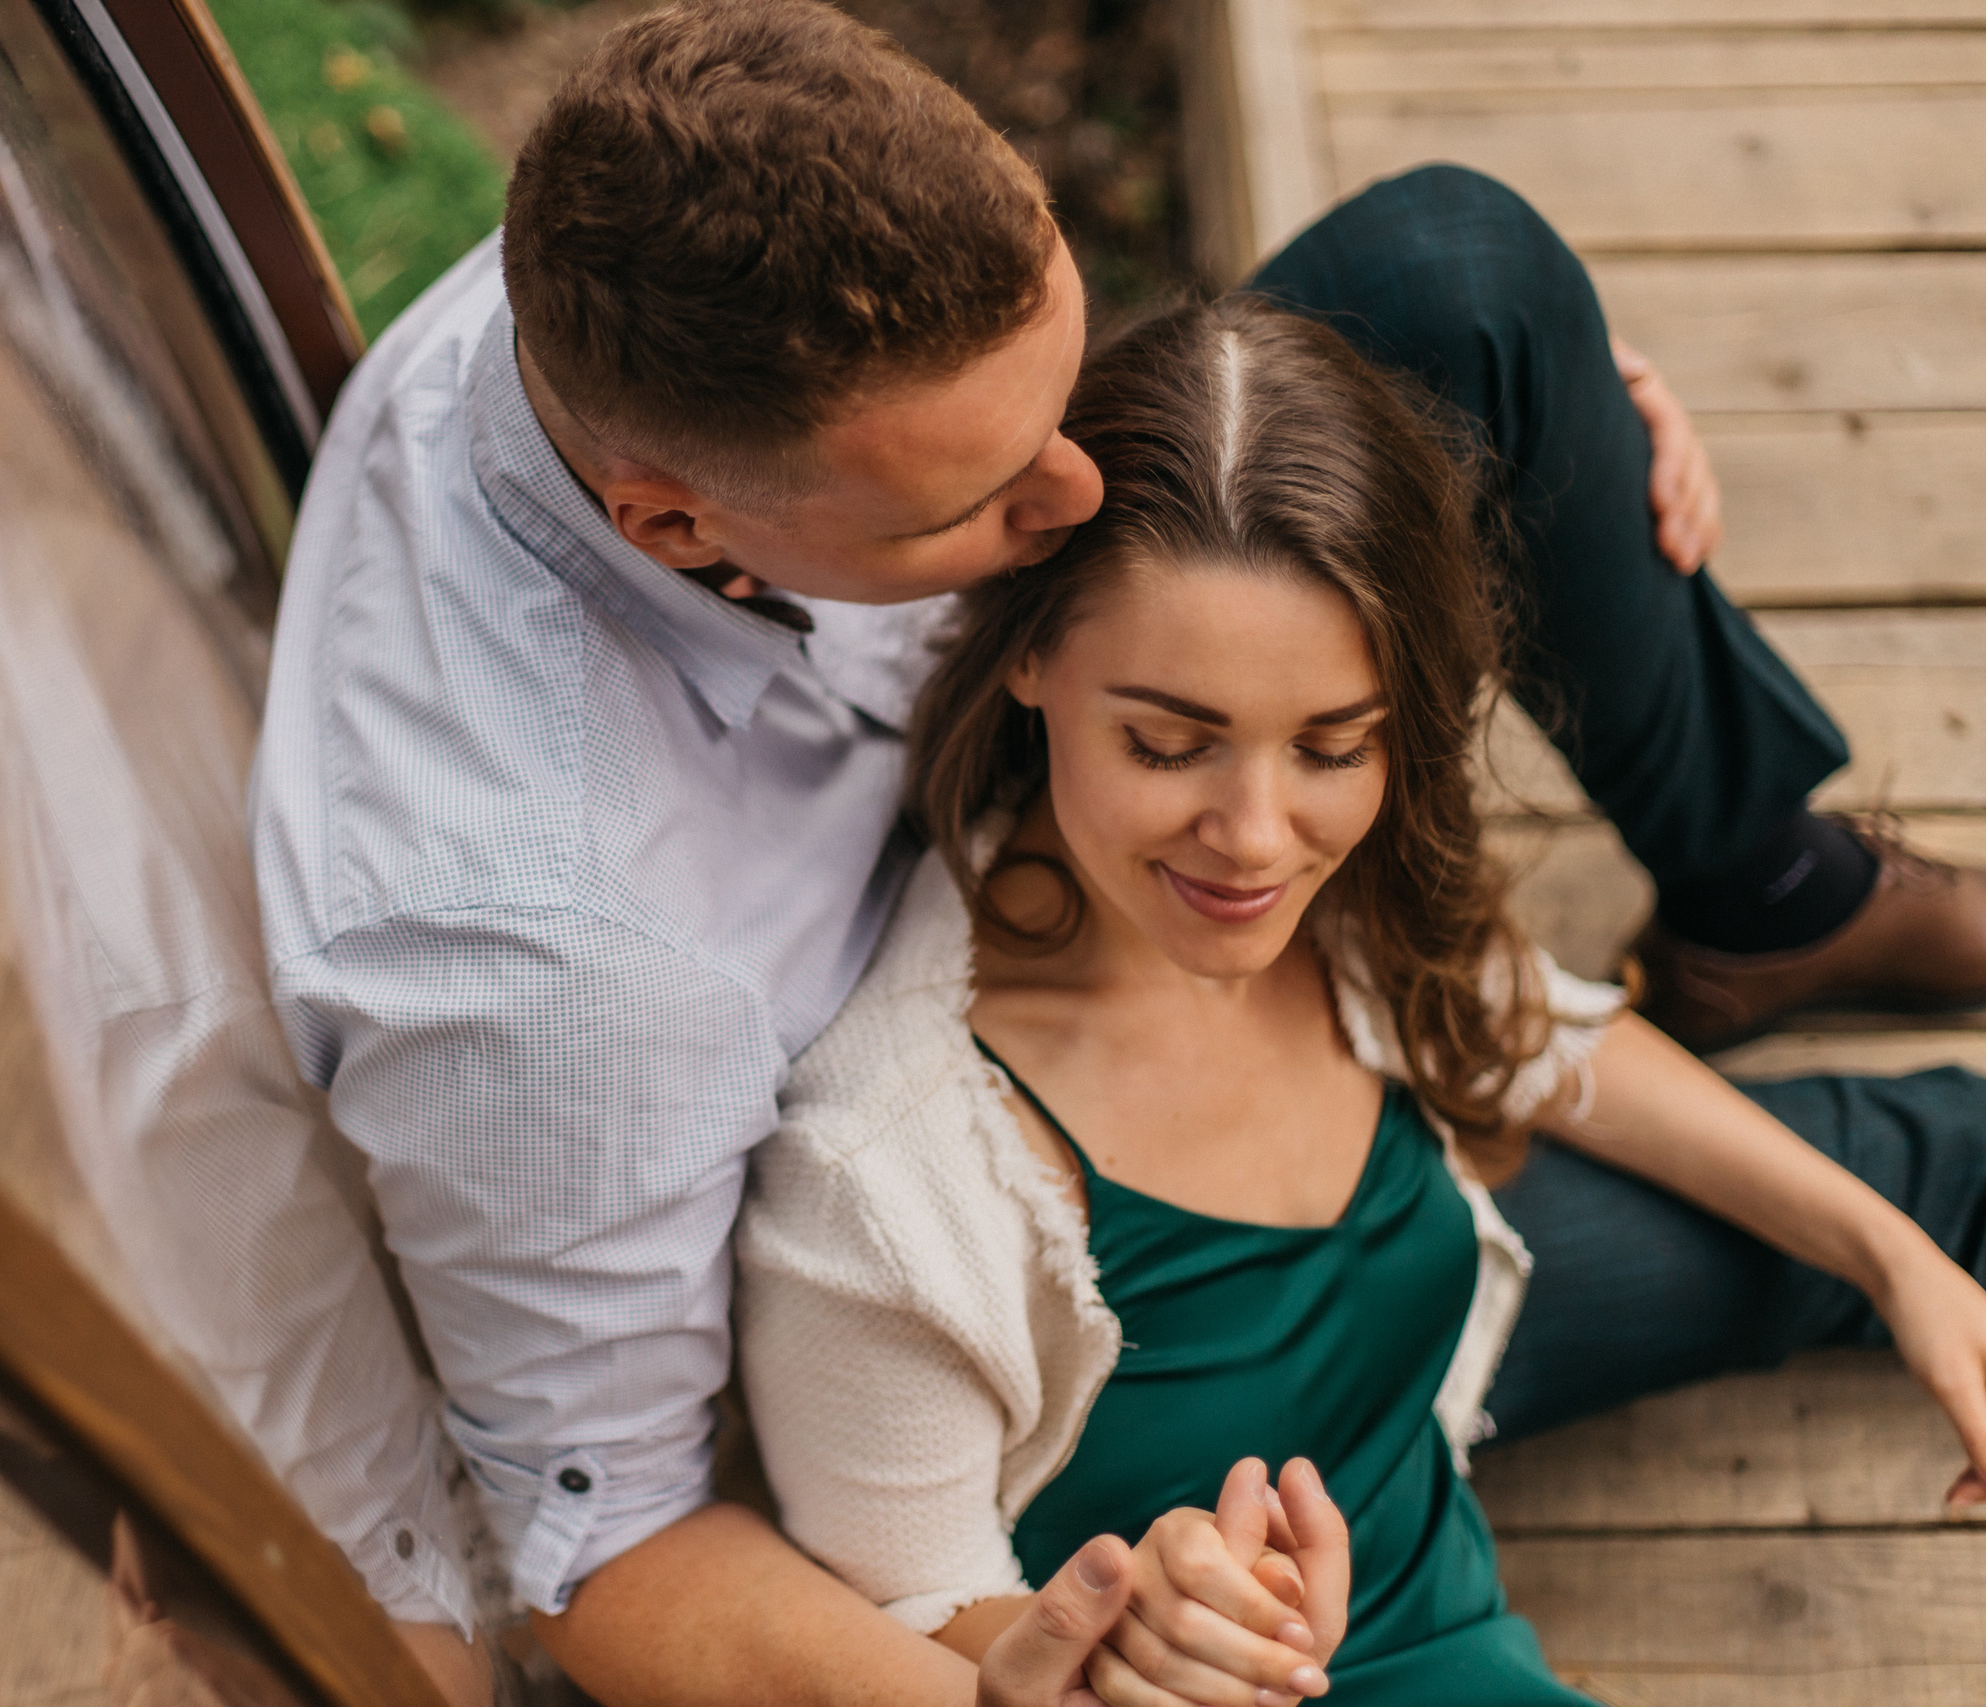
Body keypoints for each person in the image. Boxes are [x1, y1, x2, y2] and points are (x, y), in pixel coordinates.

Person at [246, 2, 1986, 1697]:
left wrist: (1498, 451)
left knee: (1466, 287)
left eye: (1061, 395)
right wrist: (1033, 1678)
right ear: (677, 524)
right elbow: (611, 1544)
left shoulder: (655, 240)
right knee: (1897, 1173)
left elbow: (1488, 996)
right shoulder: (548, 973)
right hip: (1072, 1361)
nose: (1079, 499)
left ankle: (1774, 899)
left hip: (1199, 1021)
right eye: (981, 499)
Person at [732, 295, 1986, 1706]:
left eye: (1333, 748)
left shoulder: (1356, 896)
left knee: (1945, 1160)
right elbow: (907, 1608)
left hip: (1454, 1556)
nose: (1257, 842)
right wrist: (1117, 1646)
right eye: (1167, 744)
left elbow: (1527, 1029)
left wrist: (1894, 1263)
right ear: (1027, 651)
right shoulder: (883, 1180)